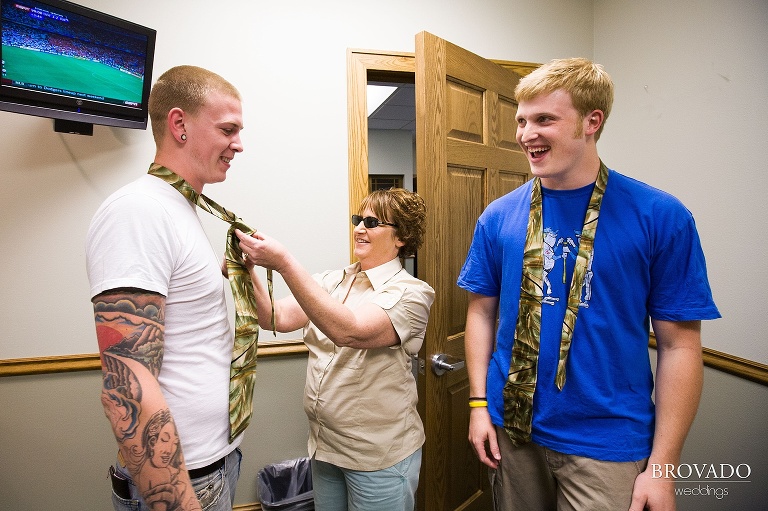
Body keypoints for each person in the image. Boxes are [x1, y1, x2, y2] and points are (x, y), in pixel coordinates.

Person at [457, 57, 720, 511]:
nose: (525, 134)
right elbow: (482, 311)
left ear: (591, 122)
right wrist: (479, 405)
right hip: (513, 431)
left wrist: (662, 468)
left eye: (544, 120)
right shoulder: (498, 215)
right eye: (521, 120)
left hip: (607, 442)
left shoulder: (660, 216)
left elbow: (679, 347)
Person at [87, 65, 247, 511]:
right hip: (183, 483)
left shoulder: (178, 210)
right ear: (179, 125)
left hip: (211, 465)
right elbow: (126, 387)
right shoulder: (139, 211)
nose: (239, 144)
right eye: (227, 129)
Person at [235, 188, 435, 511]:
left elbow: (350, 331)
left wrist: (284, 262)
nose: (359, 228)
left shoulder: (413, 294)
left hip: (377, 459)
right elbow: (276, 316)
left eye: (371, 222)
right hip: (325, 450)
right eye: (358, 220)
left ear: (401, 237)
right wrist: (247, 271)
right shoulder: (333, 281)